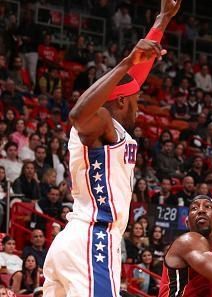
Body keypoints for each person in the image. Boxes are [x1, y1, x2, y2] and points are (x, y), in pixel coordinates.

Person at [42, 1, 181, 296]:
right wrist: (126, 62)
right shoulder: (101, 120)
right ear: (120, 101)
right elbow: (77, 115)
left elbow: (136, 75)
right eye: (136, 102)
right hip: (94, 238)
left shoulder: (110, 122)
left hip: (76, 239)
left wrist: (162, 19)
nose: (139, 109)